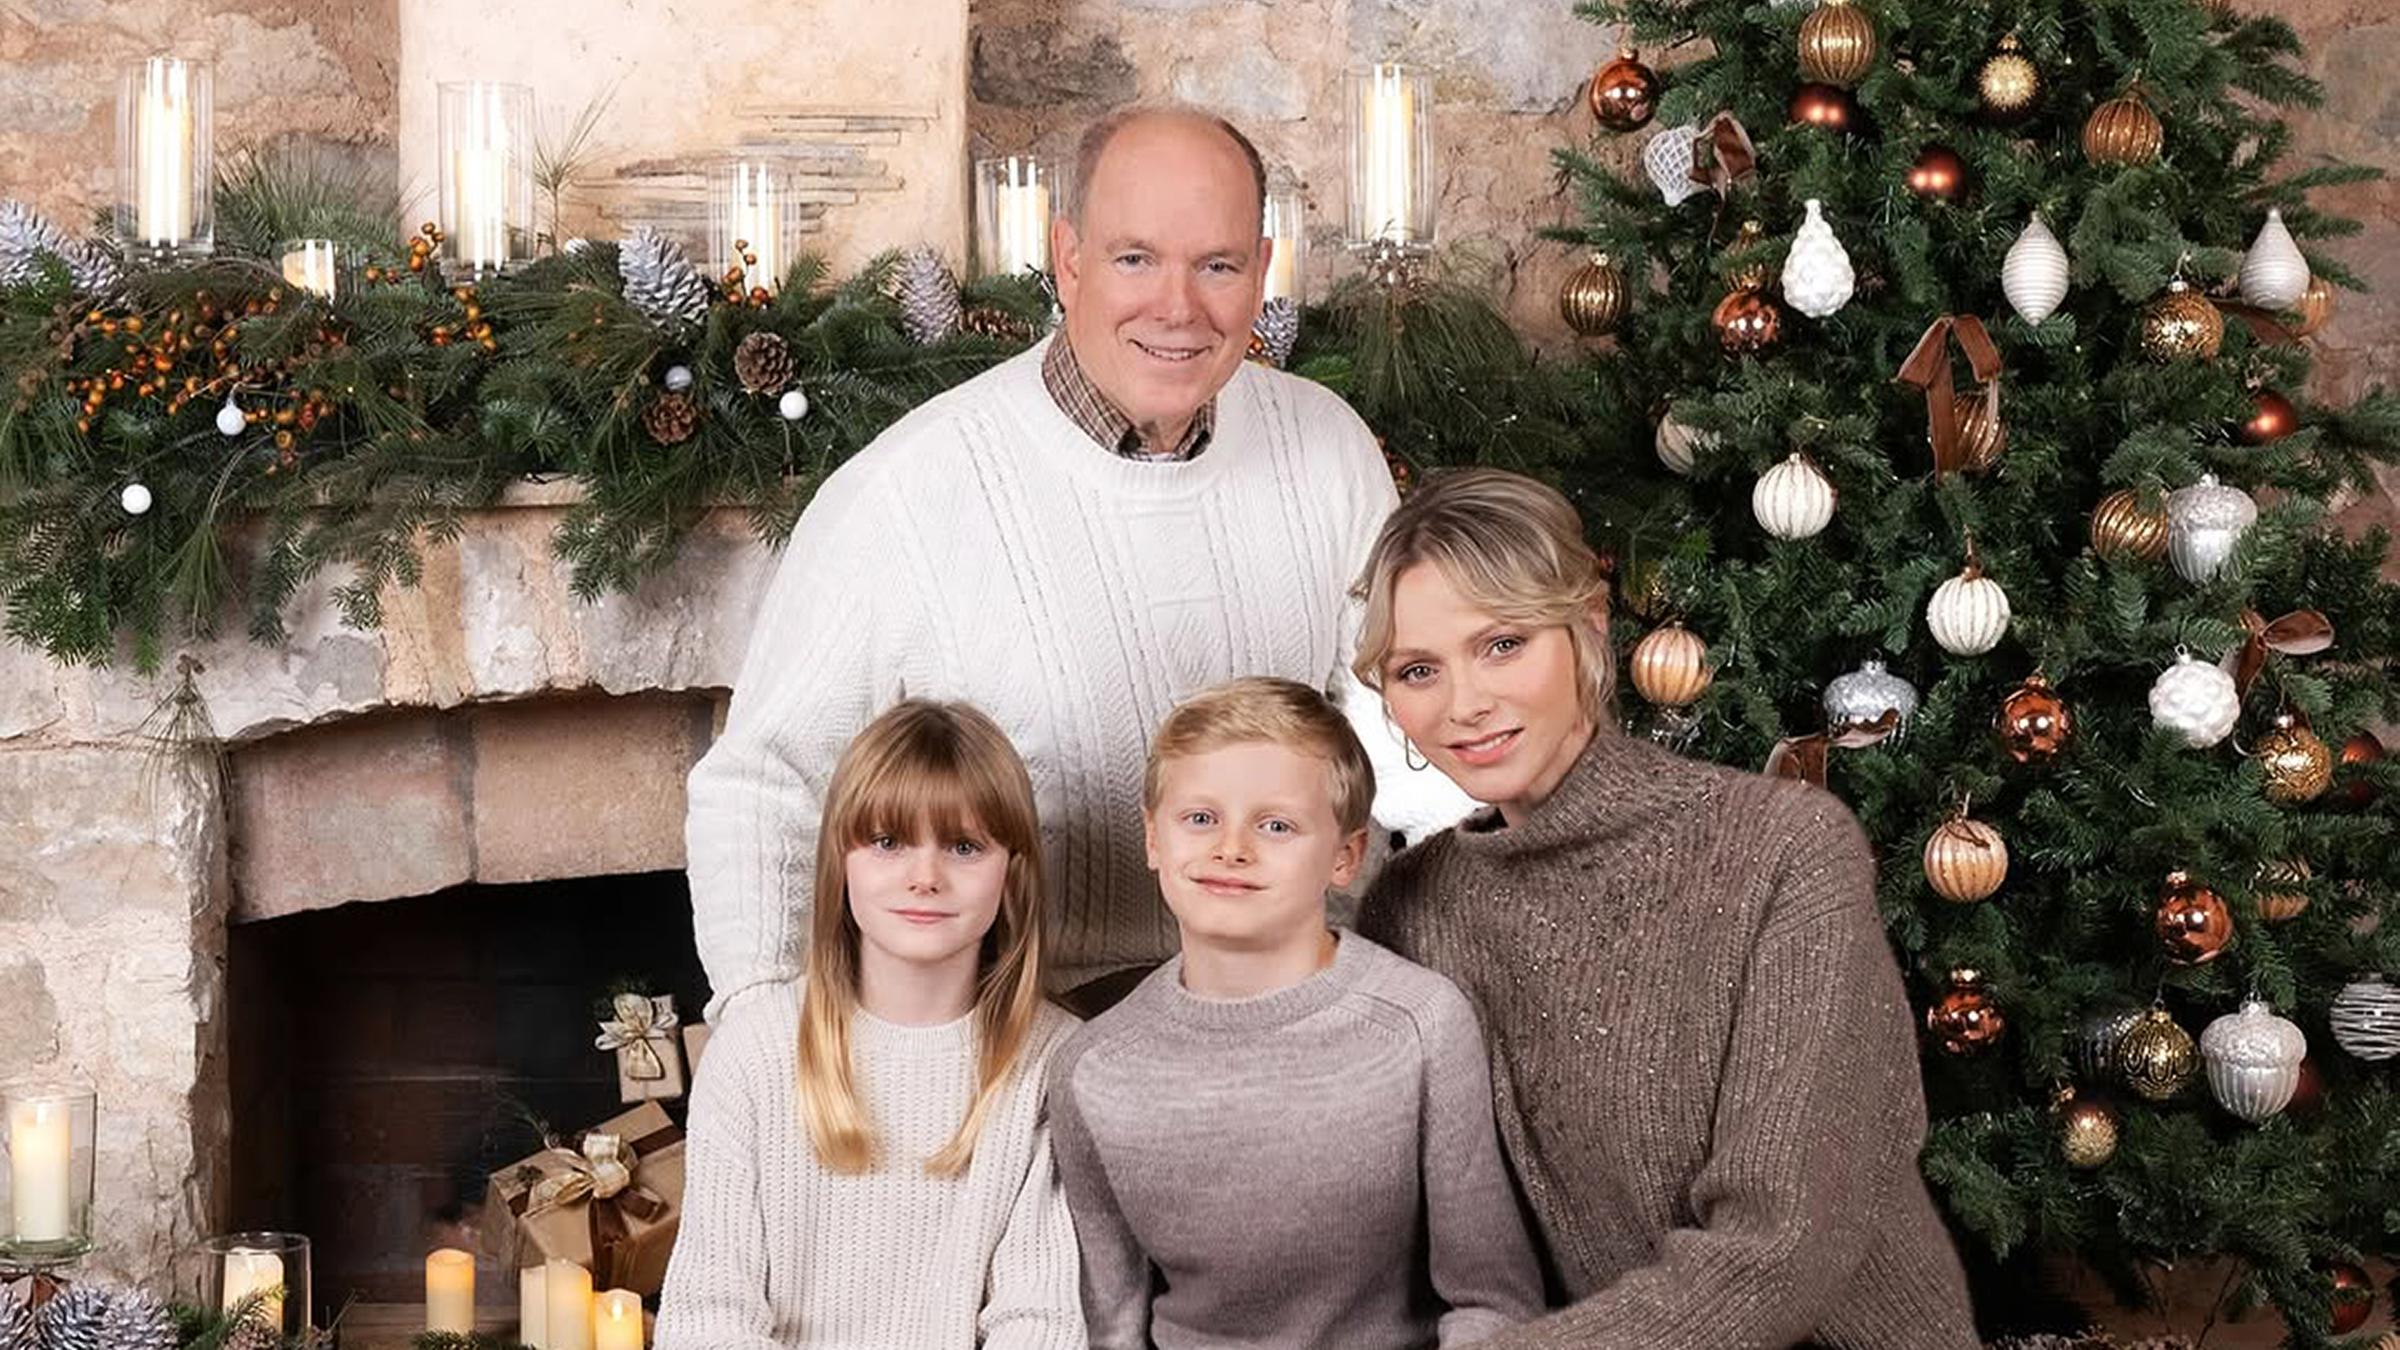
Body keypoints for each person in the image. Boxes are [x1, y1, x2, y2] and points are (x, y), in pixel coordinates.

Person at [684, 103, 1464, 1023]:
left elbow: (1403, 727)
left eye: (1216, 266)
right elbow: (764, 784)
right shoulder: (904, 491)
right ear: (1069, 259)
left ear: (1260, 273)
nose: (1177, 307)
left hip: (1292, 1005)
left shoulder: (1327, 446)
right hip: (1021, 1041)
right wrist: (766, 1038)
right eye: (1136, 259)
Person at [1349, 469, 1980, 1350]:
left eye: (1503, 645)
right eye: (1420, 670)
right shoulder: (1411, 913)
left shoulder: (1782, 849)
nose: (1465, 704)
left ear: (1589, 629)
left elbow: (1780, 1247)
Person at [1046, 677, 1542, 1349]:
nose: (1231, 849)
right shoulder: (1090, 1067)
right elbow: (1111, 1322)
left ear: (1345, 856)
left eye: (1275, 825)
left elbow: (1492, 1301)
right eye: (1199, 818)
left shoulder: (1422, 1025)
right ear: (1153, 839)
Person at [655, 700, 1084, 1350]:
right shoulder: (754, 1051)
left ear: (1012, 870)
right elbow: (709, 1315)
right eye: (889, 842)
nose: (926, 878)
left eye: (964, 846)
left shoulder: (1055, 1065)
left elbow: (1042, 1325)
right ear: (842, 859)